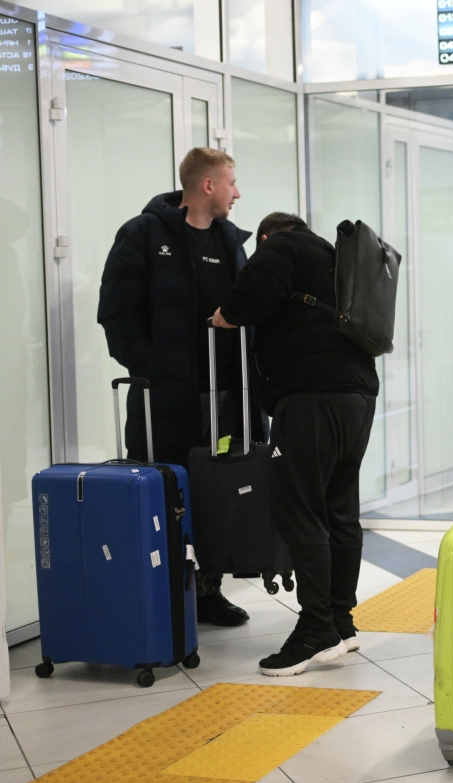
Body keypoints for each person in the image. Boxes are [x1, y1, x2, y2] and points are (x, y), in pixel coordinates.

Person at [98, 146, 265, 628]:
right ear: (207, 185)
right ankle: (166, 594)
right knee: (166, 494)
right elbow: (116, 313)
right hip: (167, 398)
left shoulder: (231, 242)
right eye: (231, 182)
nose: (237, 193)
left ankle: (209, 592)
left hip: (227, 399)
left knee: (218, 494)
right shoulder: (144, 234)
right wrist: (152, 367)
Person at [212, 212, 378, 676]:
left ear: (266, 236)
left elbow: (248, 300)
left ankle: (315, 629)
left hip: (310, 398)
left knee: (301, 510)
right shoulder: (336, 259)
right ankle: (341, 622)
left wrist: (224, 315)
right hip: (357, 396)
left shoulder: (282, 247)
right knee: (339, 510)